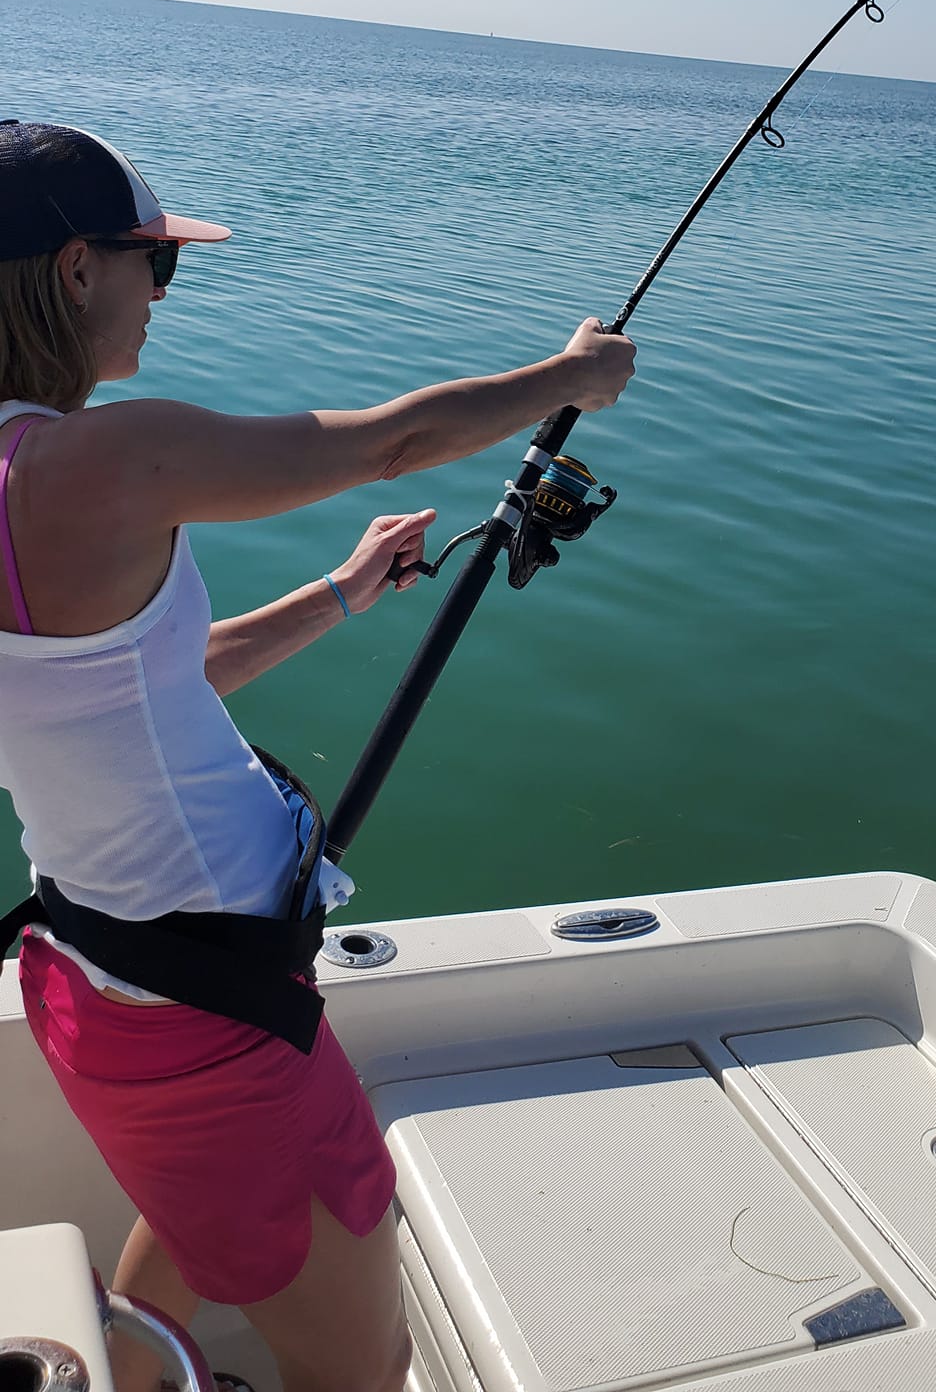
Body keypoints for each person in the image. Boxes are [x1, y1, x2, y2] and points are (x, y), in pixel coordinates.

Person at [0, 118, 636, 1392]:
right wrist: (571, 377)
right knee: (365, 1367)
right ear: (77, 270)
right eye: (154, 265)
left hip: (102, 972)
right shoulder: (101, 458)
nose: (162, 296)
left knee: (196, 1230)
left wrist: (341, 594)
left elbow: (127, 686)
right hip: (205, 1017)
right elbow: (384, 443)